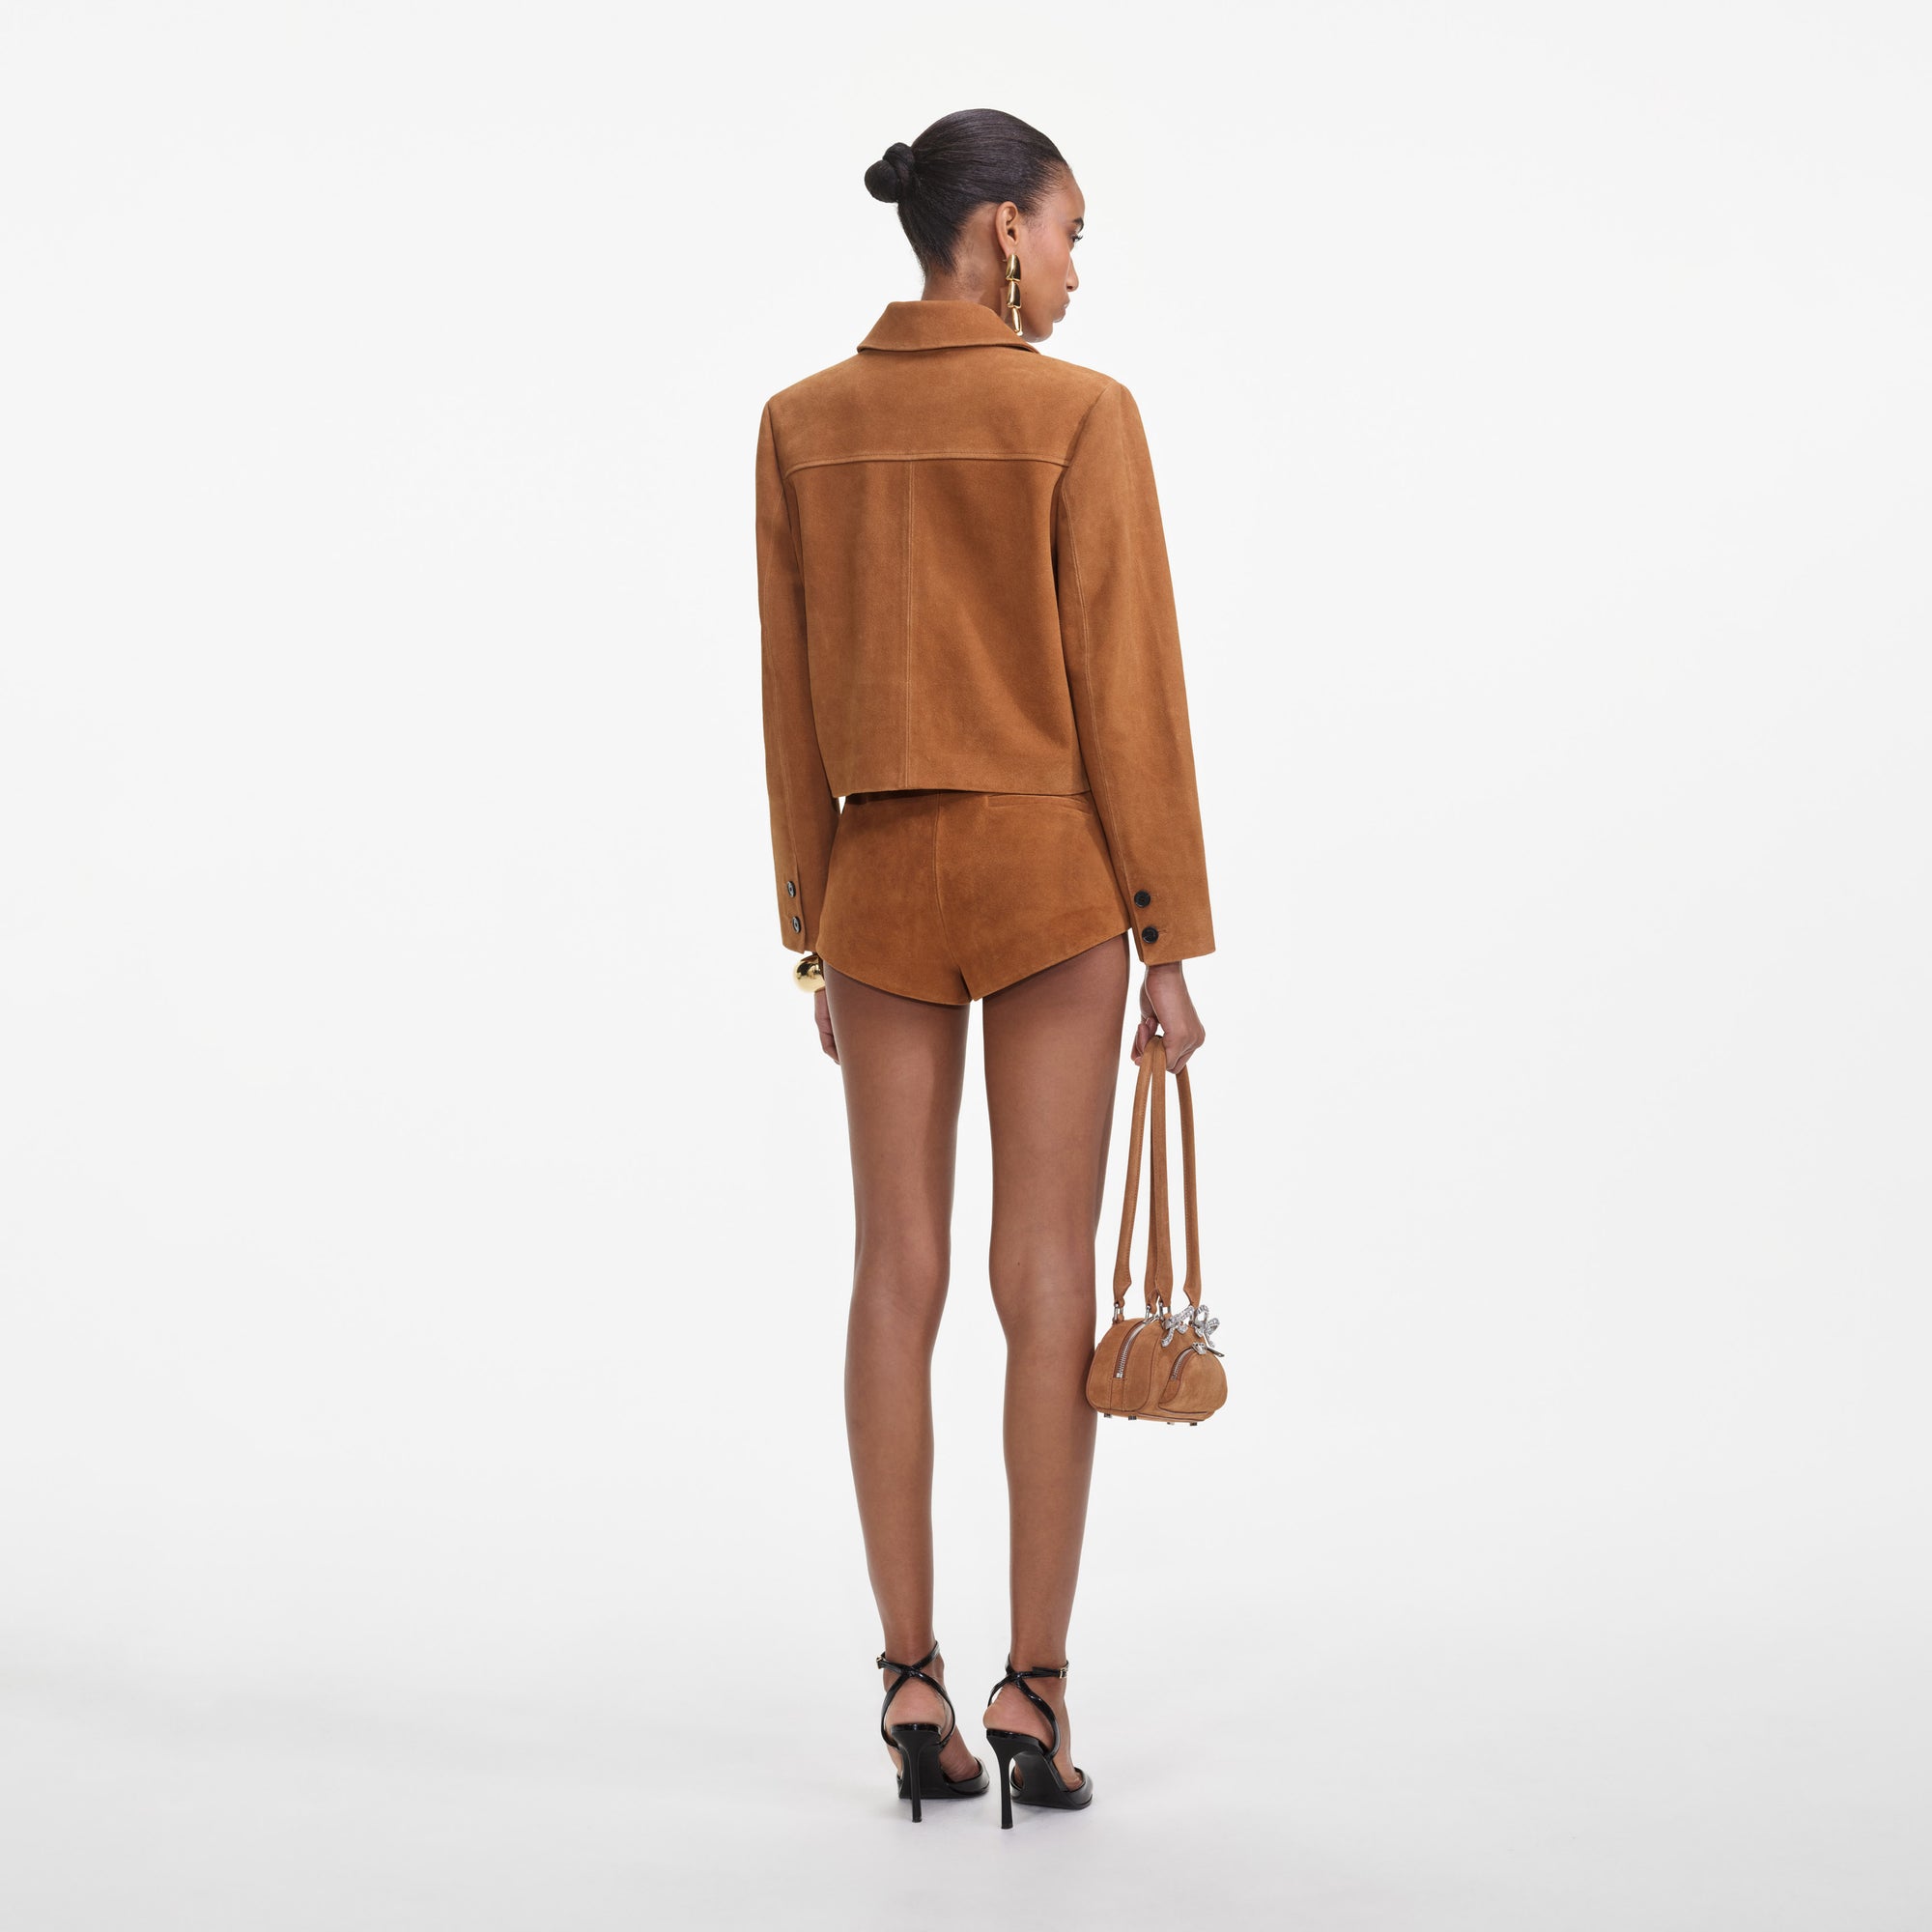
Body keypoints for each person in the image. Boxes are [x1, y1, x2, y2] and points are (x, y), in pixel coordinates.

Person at [753, 107, 1215, 1827]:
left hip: (877, 876)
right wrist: (1167, 936)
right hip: (1050, 882)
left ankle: (907, 1675)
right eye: (1073, 233)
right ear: (1004, 229)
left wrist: (811, 920)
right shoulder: (1082, 416)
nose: (1081, 270)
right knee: (1045, 1281)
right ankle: (1036, 1687)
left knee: (897, 1272)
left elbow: (789, 697)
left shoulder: (801, 424)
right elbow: (1131, 695)